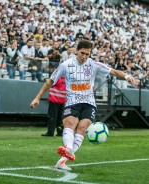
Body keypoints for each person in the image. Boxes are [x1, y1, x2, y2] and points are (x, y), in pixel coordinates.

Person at [30, 40, 137, 171]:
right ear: (77, 50)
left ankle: (63, 161)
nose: (84, 56)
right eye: (82, 53)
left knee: (82, 128)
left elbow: (113, 71)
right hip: (72, 101)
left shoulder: (93, 64)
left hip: (89, 103)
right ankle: (68, 149)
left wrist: (127, 77)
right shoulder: (66, 65)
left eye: (87, 54)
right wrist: (37, 98)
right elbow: (50, 81)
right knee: (70, 123)